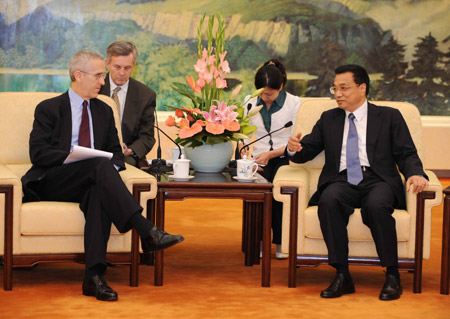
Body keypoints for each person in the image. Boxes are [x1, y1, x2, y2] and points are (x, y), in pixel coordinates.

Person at [21, 49, 184, 302]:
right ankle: (147, 230)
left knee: (99, 190)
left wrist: (105, 169)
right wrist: (75, 155)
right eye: (98, 76)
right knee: (98, 164)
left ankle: (93, 278)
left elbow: (117, 156)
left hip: (93, 179)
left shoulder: (104, 111)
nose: (103, 81)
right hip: (53, 181)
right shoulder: (49, 109)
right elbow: (38, 154)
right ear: (78, 75)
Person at [286, 64, 428, 300]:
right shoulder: (329, 118)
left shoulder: (389, 116)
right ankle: (342, 275)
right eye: (335, 88)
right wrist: (293, 149)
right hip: (341, 179)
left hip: (378, 179)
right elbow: (306, 151)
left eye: (344, 88)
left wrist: (415, 172)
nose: (338, 94)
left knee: (376, 206)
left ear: (362, 88)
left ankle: (392, 274)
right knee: (329, 201)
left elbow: (406, 153)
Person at [243, 59, 301, 259]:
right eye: (262, 93)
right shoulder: (250, 102)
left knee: (278, 187)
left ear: (281, 87)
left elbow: (296, 140)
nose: (265, 97)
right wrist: (244, 154)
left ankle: (280, 242)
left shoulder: (295, 104)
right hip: (258, 158)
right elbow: (242, 133)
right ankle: (256, 241)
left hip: (285, 156)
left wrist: (271, 154)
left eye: (270, 94)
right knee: (255, 190)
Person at [99, 40, 156, 167]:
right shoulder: (95, 87)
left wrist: (130, 150)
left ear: (134, 66)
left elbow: (147, 137)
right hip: (95, 153)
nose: (122, 73)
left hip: (125, 157)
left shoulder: (145, 95)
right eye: (117, 67)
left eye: (127, 68)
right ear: (107, 64)